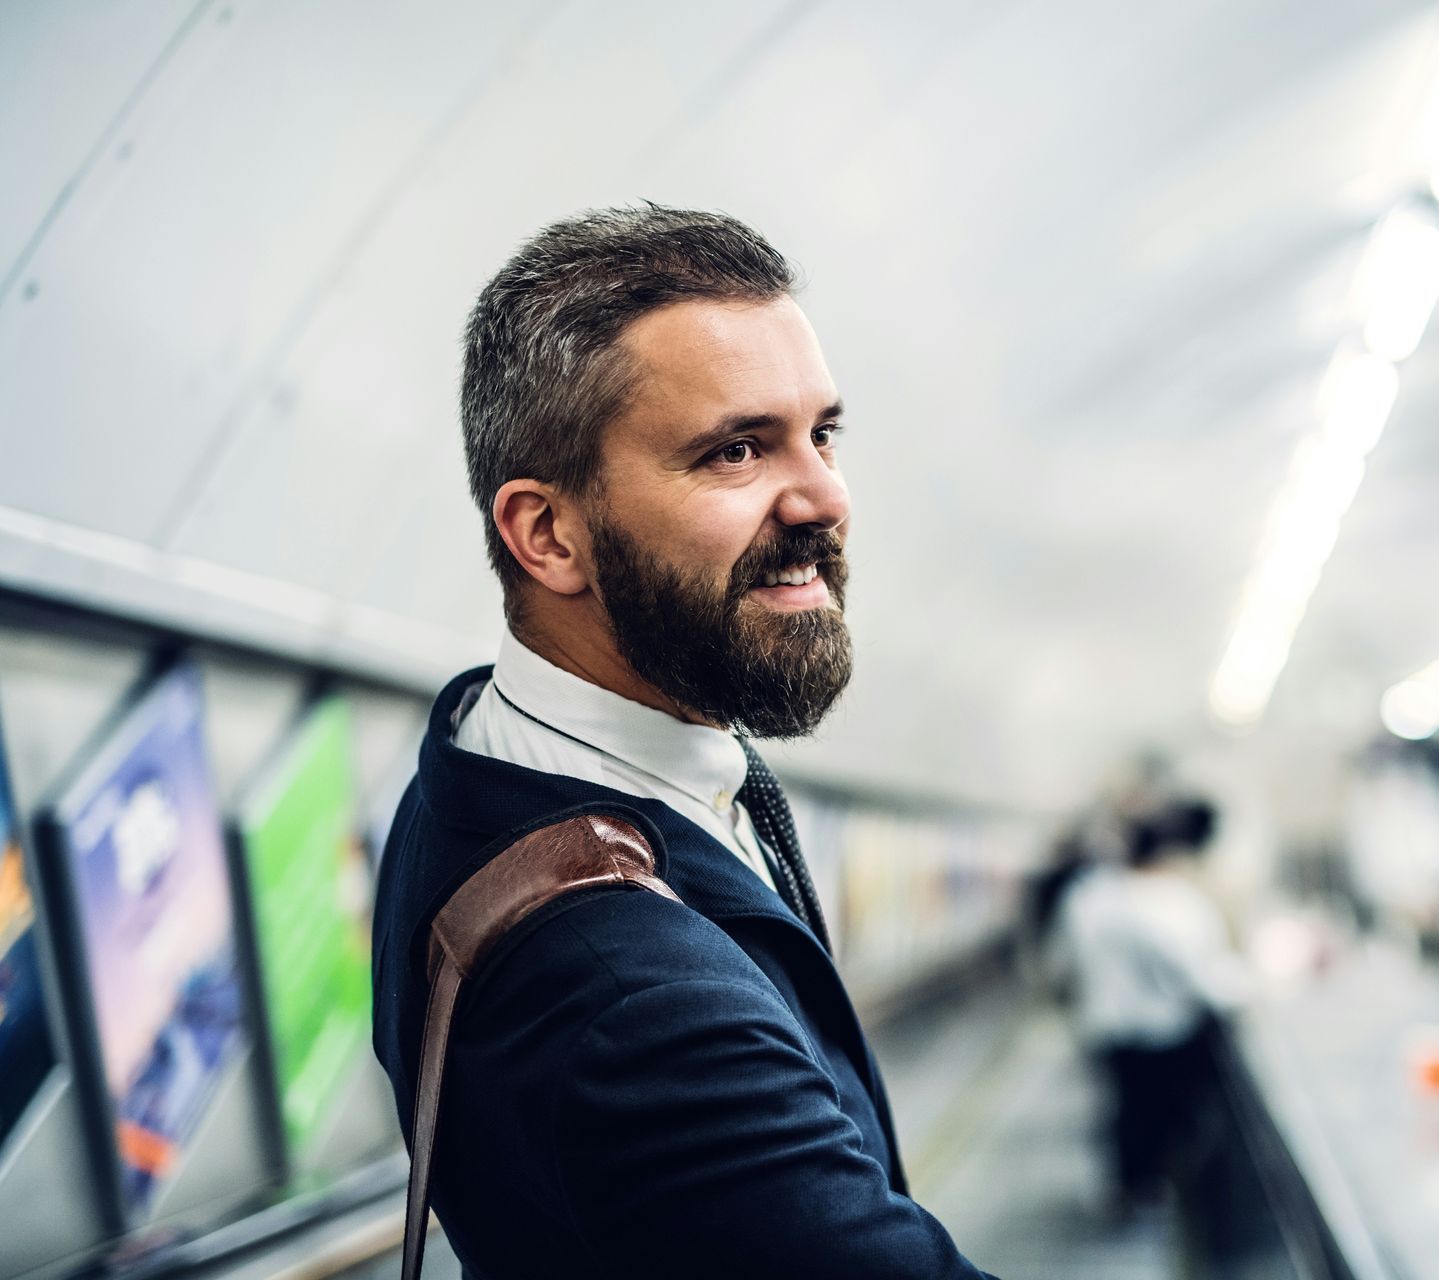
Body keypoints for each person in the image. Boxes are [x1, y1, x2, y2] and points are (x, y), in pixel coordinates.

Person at [371, 205, 996, 1278]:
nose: (825, 496)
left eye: (822, 433)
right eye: (736, 450)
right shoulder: (633, 1007)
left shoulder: (481, 750)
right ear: (548, 534)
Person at [1058, 796, 1246, 1215]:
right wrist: (1243, 990)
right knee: (1158, 1112)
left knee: (1124, 1106)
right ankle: (1152, 1188)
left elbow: (1064, 963)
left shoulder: (1088, 899)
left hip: (1104, 1024)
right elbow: (1198, 972)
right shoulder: (1171, 902)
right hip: (1162, 1029)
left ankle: (1125, 1187)